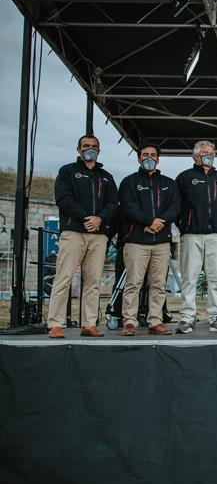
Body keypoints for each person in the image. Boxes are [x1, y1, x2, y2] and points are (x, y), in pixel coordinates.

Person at [47, 135, 118, 338]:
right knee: (63, 278)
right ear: (78, 150)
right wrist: (86, 217)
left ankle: (89, 323)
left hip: (98, 235)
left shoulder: (106, 177)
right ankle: (55, 324)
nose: (90, 149)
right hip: (74, 232)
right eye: (86, 146)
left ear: (99, 150)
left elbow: (113, 203)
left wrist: (100, 219)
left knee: (93, 281)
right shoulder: (67, 171)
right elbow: (63, 198)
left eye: (94, 146)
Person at [117, 145, 181, 336]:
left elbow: (175, 207)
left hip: (161, 241)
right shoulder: (129, 182)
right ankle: (129, 321)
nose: (149, 158)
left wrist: (159, 223)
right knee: (133, 283)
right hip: (136, 240)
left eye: (153, 155)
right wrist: (148, 221)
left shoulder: (169, 183)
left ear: (158, 159)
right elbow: (128, 206)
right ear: (139, 158)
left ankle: (155, 321)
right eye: (145, 155)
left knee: (158, 284)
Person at [175, 140, 217, 334]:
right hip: (192, 235)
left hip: (215, 235)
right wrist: (185, 225)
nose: (208, 156)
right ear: (195, 156)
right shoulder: (185, 178)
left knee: (215, 278)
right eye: (204, 153)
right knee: (189, 278)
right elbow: (176, 207)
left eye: (211, 153)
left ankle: (216, 318)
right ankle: (187, 318)